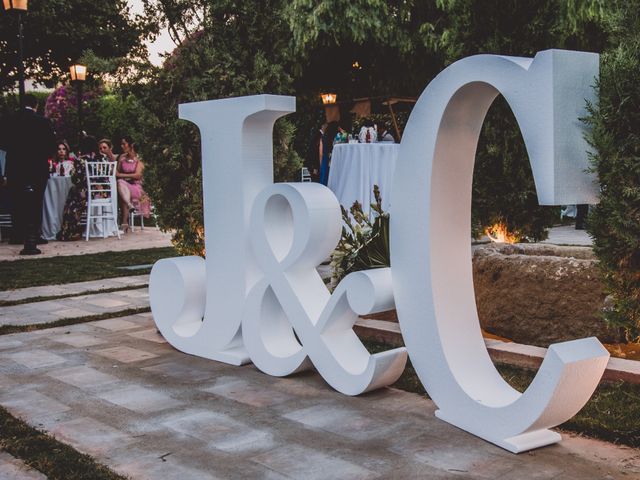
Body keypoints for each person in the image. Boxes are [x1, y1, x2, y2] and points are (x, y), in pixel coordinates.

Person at [0, 94, 56, 246]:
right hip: (37, 167)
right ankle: (33, 235)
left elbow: (3, 143)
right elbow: (51, 145)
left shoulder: (9, 120)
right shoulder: (43, 122)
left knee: (16, 200)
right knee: (36, 201)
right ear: (36, 105)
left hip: (15, 167)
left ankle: (18, 234)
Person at [57, 135, 100, 241]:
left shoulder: (81, 160)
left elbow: (76, 180)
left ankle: (68, 231)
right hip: (101, 192)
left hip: (87, 193)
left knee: (72, 200)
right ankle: (72, 229)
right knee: (74, 193)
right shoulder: (101, 159)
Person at [116, 135, 150, 232]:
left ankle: (124, 223)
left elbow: (138, 175)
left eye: (124, 144)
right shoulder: (122, 158)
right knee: (121, 185)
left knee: (122, 189)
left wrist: (122, 175)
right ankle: (128, 208)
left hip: (137, 187)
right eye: (121, 144)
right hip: (124, 186)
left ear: (130, 145)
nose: (122, 146)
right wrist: (122, 176)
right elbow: (116, 174)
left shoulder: (139, 159)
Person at [320, 121, 339, 186]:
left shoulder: (325, 136)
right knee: (326, 173)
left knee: (324, 174)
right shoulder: (329, 137)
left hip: (325, 156)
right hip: (327, 156)